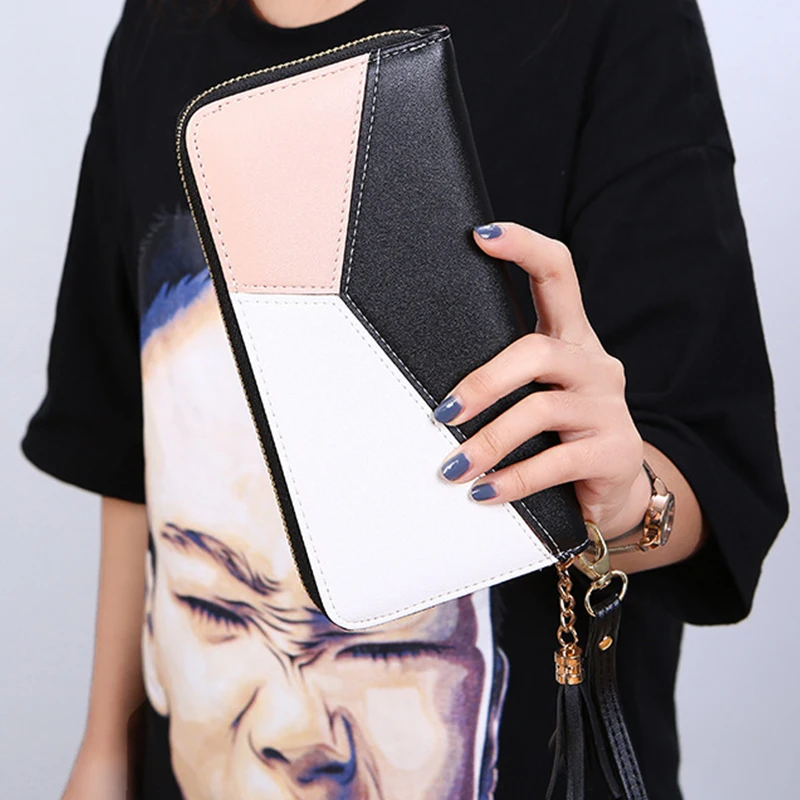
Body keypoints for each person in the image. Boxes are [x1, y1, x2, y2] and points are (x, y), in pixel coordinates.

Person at [22, 0, 787, 798]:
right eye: (220, 609)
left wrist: (623, 501)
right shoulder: (156, 27)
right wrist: (104, 746)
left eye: (386, 649)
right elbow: (130, 454)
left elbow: (713, 465)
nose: (291, 732)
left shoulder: (609, 21)